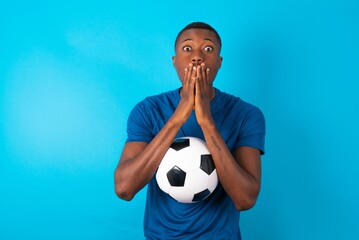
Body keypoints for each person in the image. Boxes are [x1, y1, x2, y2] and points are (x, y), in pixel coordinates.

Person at [114, 22, 266, 240]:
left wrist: (206, 120)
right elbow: (124, 189)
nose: (197, 57)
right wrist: (178, 117)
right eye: (187, 49)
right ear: (174, 61)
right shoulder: (148, 110)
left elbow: (245, 199)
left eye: (208, 49)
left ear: (219, 62)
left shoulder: (246, 114)